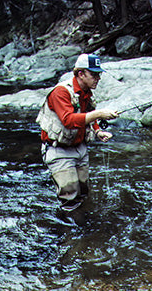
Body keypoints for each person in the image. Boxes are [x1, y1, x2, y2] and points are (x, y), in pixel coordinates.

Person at [36, 53, 118, 211]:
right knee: (70, 199)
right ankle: (72, 233)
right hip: (58, 150)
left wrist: (98, 131)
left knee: (83, 193)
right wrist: (100, 114)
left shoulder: (86, 92)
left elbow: (88, 116)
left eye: (99, 74)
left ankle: (84, 227)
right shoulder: (61, 92)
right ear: (81, 73)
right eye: (94, 74)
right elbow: (69, 120)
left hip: (80, 149)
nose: (98, 78)